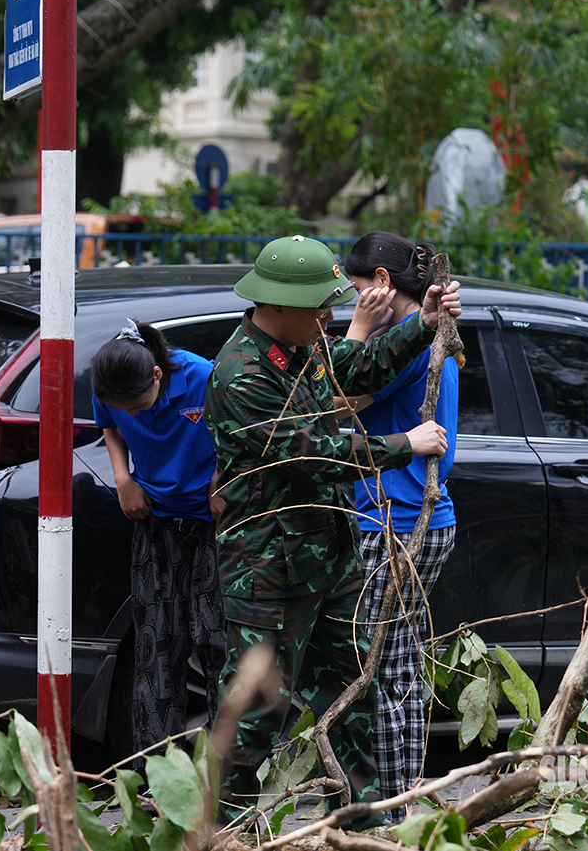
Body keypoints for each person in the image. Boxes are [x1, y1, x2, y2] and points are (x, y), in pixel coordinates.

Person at [203, 235, 459, 827]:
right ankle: (223, 831)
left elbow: (358, 364)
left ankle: (357, 826)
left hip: (329, 558)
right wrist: (402, 445)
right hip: (269, 571)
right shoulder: (241, 374)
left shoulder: (304, 346)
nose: (330, 316)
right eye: (319, 306)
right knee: (254, 712)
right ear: (280, 305)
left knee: (353, 699)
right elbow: (312, 452)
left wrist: (422, 324)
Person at [339, 232, 458, 817]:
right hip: (420, 517)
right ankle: (400, 802)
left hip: (394, 522)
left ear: (381, 284)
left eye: (357, 288)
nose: (350, 300)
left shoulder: (398, 345)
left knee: (380, 670)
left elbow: (335, 400)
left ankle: (388, 808)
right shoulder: (431, 336)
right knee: (399, 664)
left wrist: (357, 329)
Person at [91, 318, 226, 765]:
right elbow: (110, 426)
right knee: (157, 647)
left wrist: (221, 481)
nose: (134, 414)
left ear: (157, 374)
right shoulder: (110, 385)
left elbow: (239, 434)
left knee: (216, 642)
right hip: (156, 520)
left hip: (212, 523)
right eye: (122, 407)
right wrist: (122, 477)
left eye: (139, 404)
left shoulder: (203, 376)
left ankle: (228, 777)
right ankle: (157, 774)